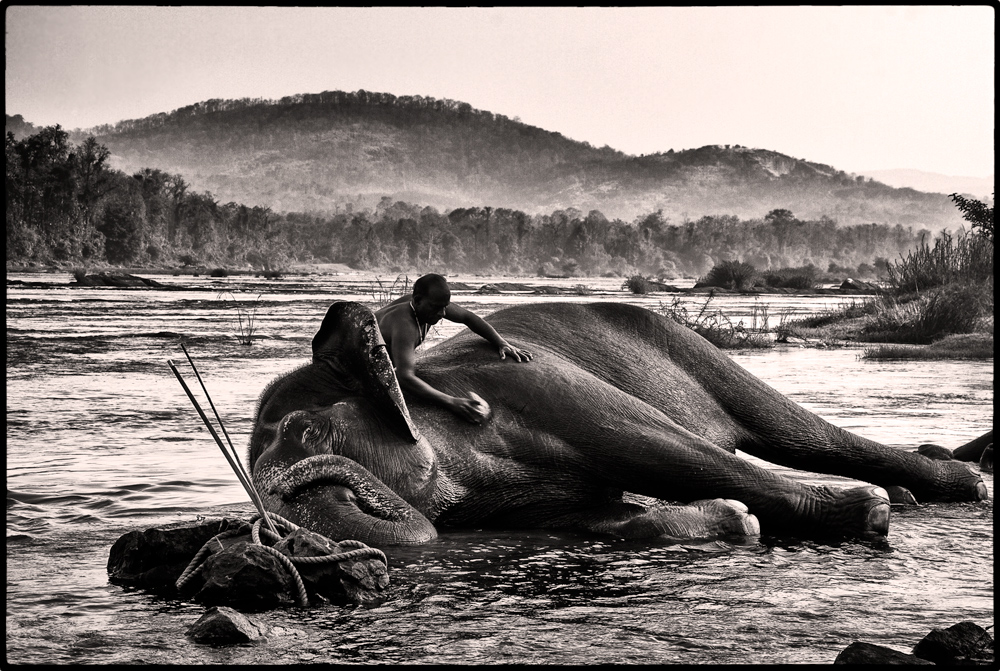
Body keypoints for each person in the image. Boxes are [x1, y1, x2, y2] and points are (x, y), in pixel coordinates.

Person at [375, 274, 532, 424]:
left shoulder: (428, 305)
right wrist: (452, 402)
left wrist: (501, 342)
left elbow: (468, 317)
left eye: (445, 307)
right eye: (437, 308)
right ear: (417, 300)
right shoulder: (405, 324)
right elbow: (404, 377)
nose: (442, 314)